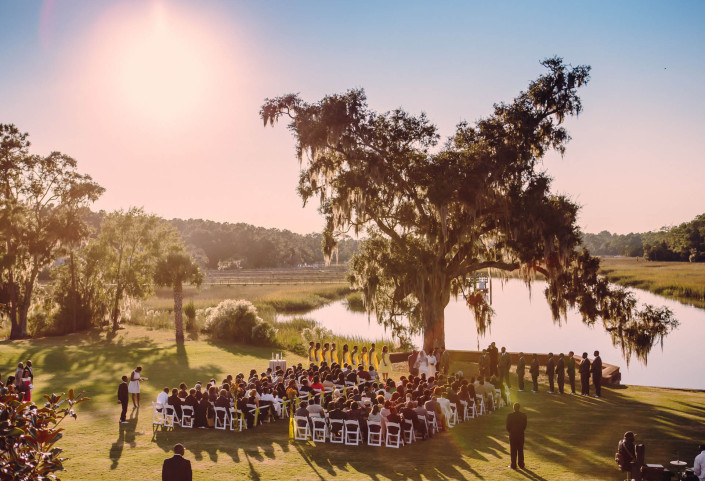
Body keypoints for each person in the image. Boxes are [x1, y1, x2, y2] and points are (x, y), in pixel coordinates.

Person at [506, 403, 527, 470]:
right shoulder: (524, 416)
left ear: (513, 408)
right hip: (520, 434)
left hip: (513, 434)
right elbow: (524, 426)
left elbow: (508, 426)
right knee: (520, 449)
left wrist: (511, 431)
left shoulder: (510, 416)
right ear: (519, 407)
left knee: (513, 450)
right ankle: (521, 464)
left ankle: (513, 465)